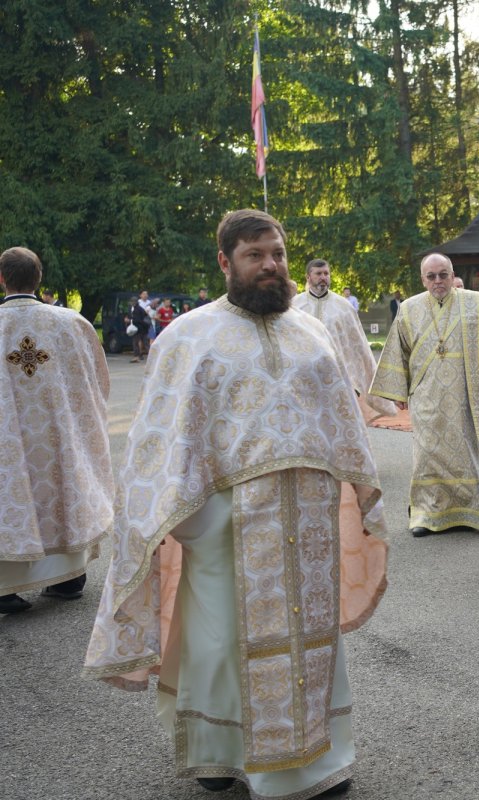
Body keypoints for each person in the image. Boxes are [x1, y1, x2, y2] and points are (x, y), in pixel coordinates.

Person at [84, 209, 388, 798]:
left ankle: (314, 763)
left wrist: (355, 490)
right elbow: (160, 440)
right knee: (222, 638)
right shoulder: (187, 336)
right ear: (226, 262)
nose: (271, 265)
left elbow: (341, 421)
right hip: (225, 520)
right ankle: (221, 753)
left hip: (309, 517)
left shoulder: (312, 331)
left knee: (311, 637)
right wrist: (194, 516)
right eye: (255, 256)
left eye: (277, 253)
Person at [0, 247, 113, 615]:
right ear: (39, 278)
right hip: (60, 437)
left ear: (1, 279)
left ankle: (5, 589)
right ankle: (67, 578)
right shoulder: (72, 323)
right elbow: (98, 383)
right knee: (65, 491)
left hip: (9, 440)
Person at [370, 253, 479, 537]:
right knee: (427, 454)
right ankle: (426, 514)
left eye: (443, 274)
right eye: (431, 276)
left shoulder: (474, 303)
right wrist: (398, 390)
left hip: (464, 392)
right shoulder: (408, 309)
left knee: (466, 451)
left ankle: (472, 512)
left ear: (452, 274)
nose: (438, 281)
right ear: (423, 279)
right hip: (426, 394)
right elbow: (397, 350)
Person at [293, 258, 396, 422]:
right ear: (308, 277)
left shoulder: (344, 306)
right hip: (305, 377)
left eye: (326, 273)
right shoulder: (294, 306)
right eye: (318, 273)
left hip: (339, 378)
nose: (323, 277)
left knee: (338, 427)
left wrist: (363, 381)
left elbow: (358, 344)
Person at [130, 290, 152, 362]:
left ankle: (136, 356)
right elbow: (145, 315)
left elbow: (137, 320)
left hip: (138, 328)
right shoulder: (141, 309)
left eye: (132, 302)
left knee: (136, 342)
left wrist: (131, 320)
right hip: (144, 328)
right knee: (145, 342)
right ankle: (152, 356)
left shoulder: (136, 310)